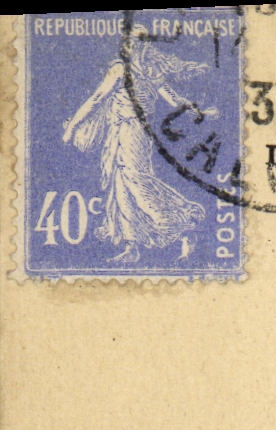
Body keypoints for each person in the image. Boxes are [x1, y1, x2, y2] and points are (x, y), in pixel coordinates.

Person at [61, 30, 212, 263]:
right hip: (120, 130)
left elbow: (97, 99)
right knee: (119, 182)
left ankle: (182, 222)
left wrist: (72, 128)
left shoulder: (140, 70)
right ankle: (131, 246)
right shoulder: (136, 70)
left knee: (136, 179)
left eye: (137, 44)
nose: (133, 47)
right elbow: (173, 99)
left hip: (134, 131)